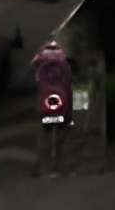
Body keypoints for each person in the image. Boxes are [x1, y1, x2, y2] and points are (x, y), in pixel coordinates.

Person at [31, 37, 74, 177]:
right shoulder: (65, 64)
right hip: (62, 104)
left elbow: (38, 83)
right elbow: (68, 86)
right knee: (62, 135)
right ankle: (60, 167)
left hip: (45, 105)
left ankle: (43, 168)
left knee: (45, 135)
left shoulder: (40, 63)